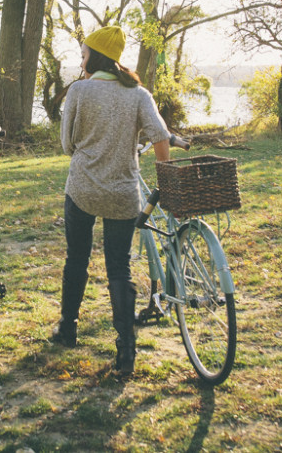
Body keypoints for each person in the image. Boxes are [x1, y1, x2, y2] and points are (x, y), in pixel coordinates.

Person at [55, 25, 171, 376]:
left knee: (77, 257)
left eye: (84, 53)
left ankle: (68, 329)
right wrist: (165, 181)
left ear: (96, 56)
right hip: (123, 193)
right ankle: (126, 351)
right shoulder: (138, 94)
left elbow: (66, 145)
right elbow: (161, 139)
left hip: (83, 188)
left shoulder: (79, 91)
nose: (81, 59)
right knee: (118, 266)